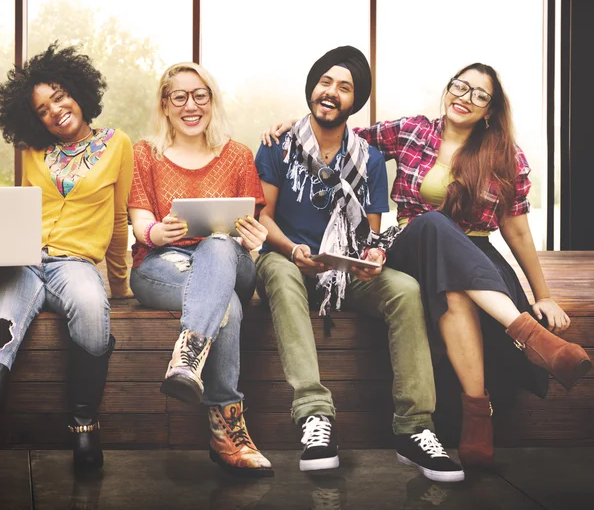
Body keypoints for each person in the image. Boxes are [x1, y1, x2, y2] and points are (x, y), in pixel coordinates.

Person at [262, 62, 592, 469]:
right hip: (409, 243)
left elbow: (519, 233)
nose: (464, 97)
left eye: (479, 95)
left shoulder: (506, 156)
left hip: (475, 257)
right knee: (432, 223)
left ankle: (476, 416)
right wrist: (295, 126)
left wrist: (544, 296)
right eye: (460, 86)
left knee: (453, 286)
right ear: (448, 89)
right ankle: (533, 337)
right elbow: (340, 133)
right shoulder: (413, 131)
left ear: (489, 110)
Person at [255, 45, 465, 482]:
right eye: (325, 82)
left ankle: (415, 427)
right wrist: (294, 249)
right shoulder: (278, 146)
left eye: (344, 87)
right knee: (274, 268)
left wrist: (370, 257)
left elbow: (368, 233)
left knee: (405, 288)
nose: (331, 92)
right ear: (312, 88)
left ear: (356, 100)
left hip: (343, 272)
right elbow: (263, 217)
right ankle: (315, 417)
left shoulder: (368, 158)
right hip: (291, 263)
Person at [128, 62, 273, 478]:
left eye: (200, 95)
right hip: (162, 266)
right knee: (223, 303)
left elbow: (253, 226)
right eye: (180, 96)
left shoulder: (238, 155)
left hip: (231, 262)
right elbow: (141, 225)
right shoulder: (146, 154)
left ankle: (188, 355)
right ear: (165, 104)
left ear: (212, 101)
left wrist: (252, 239)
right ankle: (228, 431)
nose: (191, 105)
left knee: (219, 243)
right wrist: (157, 232)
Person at [0, 43, 133, 470]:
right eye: (42, 109)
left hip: (75, 264)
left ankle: (84, 423)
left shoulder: (117, 145)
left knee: (94, 310)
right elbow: (20, 210)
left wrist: (120, 281)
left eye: (59, 96)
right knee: (2, 329)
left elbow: (118, 217)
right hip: (23, 262)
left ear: (77, 92)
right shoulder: (30, 151)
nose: (55, 110)